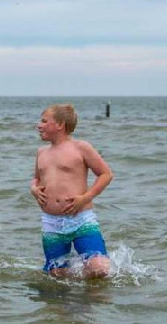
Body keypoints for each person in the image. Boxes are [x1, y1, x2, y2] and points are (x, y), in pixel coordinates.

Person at [30, 103, 114, 278]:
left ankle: (91, 298)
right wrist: (33, 189)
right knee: (56, 273)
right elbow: (37, 178)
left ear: (60, 125)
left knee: (99, 268)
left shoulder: (81, 147)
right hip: (51, 223)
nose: (39, 125)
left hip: (81, 220)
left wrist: (86, 197)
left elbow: (106, 174)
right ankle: (70, 298)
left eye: (44, 121)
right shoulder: (41, 152)